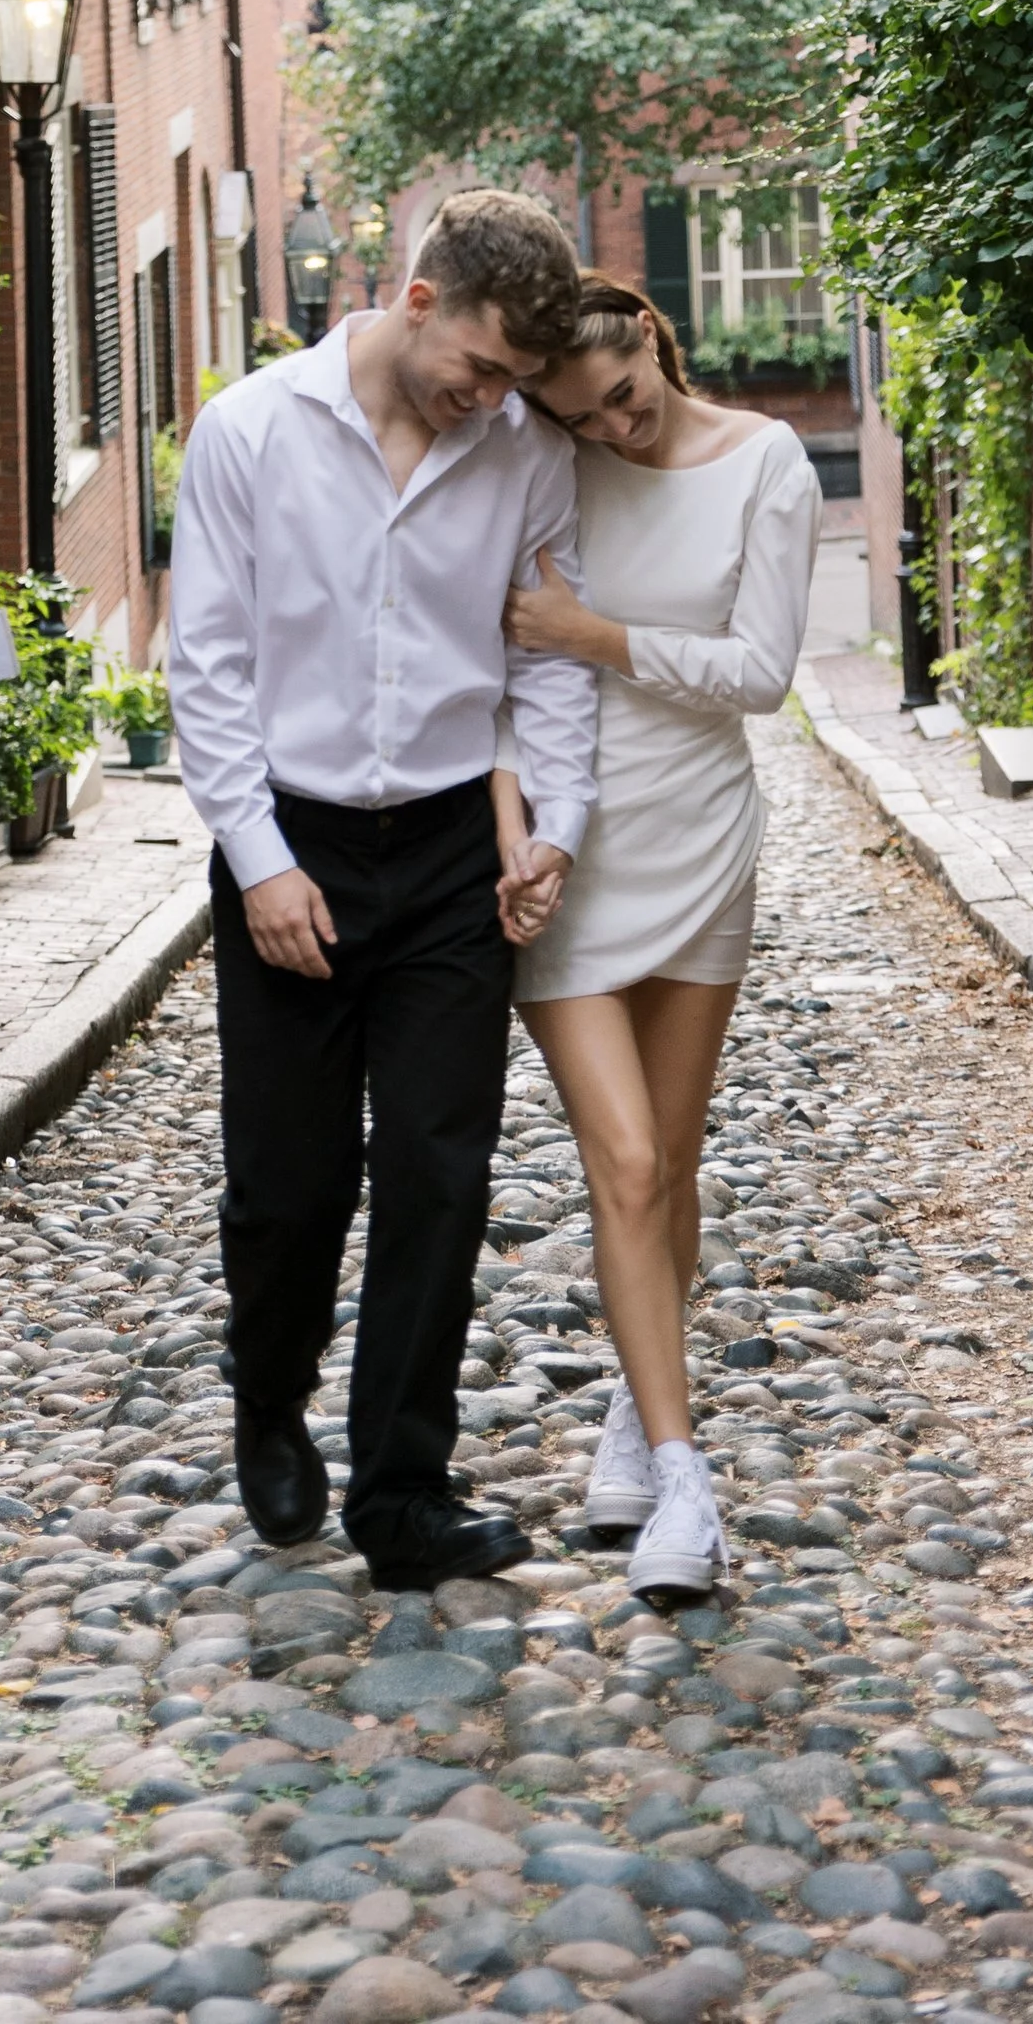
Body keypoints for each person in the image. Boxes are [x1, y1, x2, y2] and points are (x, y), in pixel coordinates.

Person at [168, 187, 598, 1589]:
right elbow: (210, 670)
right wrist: (263, 864)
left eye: (515, 382)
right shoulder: (250, 432)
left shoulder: (522, 452)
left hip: (446, 854)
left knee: (440, 1168)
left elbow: (544, 658)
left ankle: (404, 1485)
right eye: (480, 366)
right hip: (286, 837)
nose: (492, 399)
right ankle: (267, 1386)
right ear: (419, 302)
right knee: (289, 1185)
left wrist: (552, 827)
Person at [492, 272, 822, 1597]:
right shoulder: (544, 464)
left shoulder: (768, 461)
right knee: (623, 1158)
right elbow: (510, 666)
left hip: (699, 841)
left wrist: (600, 633)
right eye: (584, 417)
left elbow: (763, 671)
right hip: (573, 852)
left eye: (623, 397)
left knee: (672, 1160)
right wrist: (514, 824)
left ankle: (641, 1402)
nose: (615, 430)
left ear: (650, 340)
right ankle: (686, 1481)